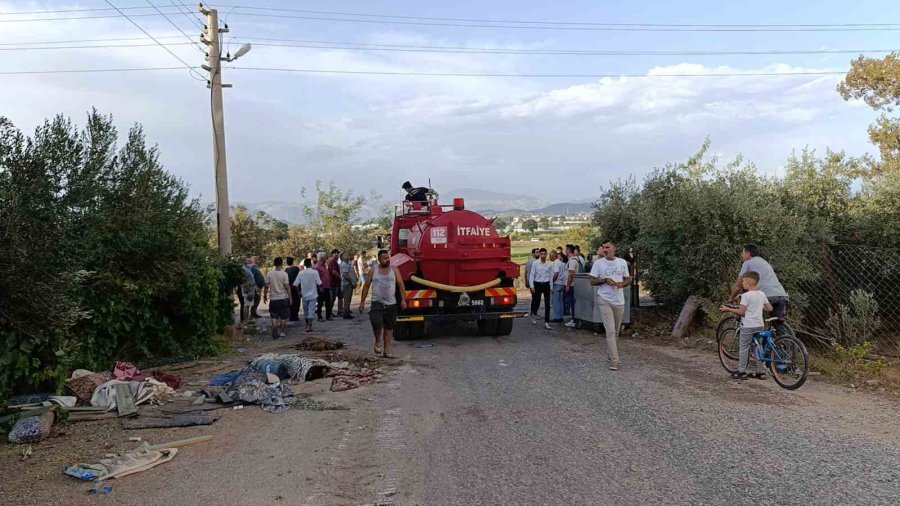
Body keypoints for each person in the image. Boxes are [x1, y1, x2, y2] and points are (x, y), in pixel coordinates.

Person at [720, 271, 772, 380]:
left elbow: (741, 312)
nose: (742, 284)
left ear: (748, 283)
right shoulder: (762, 294)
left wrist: (728, 309)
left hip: (748, 326)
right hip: (759, 325)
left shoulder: (746, 296)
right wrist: (758, 306)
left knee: (744, 348)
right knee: (758, 347)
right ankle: (760, 372)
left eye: (743, 282)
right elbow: (769, 308)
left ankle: (742, 371)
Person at [589, 240, 632, 371]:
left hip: (619, 301)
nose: (605, 250)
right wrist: (605, 280)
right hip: (604, 299)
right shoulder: (598, 263)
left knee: (616, 332)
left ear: (614, 248)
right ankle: (615, 361)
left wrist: (621, 284)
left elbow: (628, 278)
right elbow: (592, 281)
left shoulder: (622, 262)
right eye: (603, 248)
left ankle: (610, 353)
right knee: (610, 331)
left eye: (607, 247)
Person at [729, 244, 790, 336]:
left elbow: (738, 285)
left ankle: (753, 342)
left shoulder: (748, 263)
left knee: (753, 319)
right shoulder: (764, 262)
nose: (742, 255)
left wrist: (731, 298)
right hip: (781, 295)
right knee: (778, 327)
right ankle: (785, 343)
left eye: (743, 253)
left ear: (748, 254)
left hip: (767, 296)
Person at [359, 249, 408, 358]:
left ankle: (387, 349)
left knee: (389, 327)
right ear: (379, 259)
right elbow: (366, 286)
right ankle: (377, 340)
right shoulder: (373, 270)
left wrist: (403, 300)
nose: (387, 260)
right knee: (376, 323)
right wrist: (362, 302)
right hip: (377, 302)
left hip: (391, 303)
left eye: (388, 258)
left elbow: (401, 284)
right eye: (384, 258)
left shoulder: (394, 270)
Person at [263, 257, 292, 339]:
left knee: (274, 315)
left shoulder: (269, 273)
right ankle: (282, 331)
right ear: (281, 263)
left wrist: (265, 296)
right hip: (283, 298)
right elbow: (287, 287)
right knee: (283, 316)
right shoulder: (284, 274)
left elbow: (266, 286)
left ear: (274, 264)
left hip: (273, 298)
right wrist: (290, 298)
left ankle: (275, 327)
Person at [294, 258, 323, 332]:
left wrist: (298, 292)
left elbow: (295, 284)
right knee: (311, 310)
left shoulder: (301, 273)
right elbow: (319, 283)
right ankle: (309, 326)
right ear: (310, 264)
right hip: (313, 294)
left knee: (306, 310)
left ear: (305, 265)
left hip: (304, 294)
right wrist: (321, 288)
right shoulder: (315, 272)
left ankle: (307, 324)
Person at [529, 248, 554, 330]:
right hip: (537, 284)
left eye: (544, 254)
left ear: (546, 255)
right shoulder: (535, 263)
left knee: (547, 304)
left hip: (546, 284)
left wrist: (551, 287)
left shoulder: (549, 264)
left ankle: (547, 322)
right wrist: (532, 286)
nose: (543, 255)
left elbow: (551, 276)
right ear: (539, 255)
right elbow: (532, 274)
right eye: (542, 254)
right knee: (536, 300)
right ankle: (533, 313)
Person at [563, 244, 581, 327]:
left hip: (572, 285)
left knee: (572, 303)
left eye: (566, 249)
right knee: (571, 302)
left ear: (568, 251)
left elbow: (571, 274)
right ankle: (574, 319)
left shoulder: (573, 261)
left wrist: (567, 285)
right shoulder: (571, 260)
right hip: (571, 285)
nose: (565, 251)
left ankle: (574, 320)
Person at [314, 252, 332, 321]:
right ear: (321, 258)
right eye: (324, 257)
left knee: (328, 302)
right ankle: (319, 316)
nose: (325, 258)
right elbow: (316, 278)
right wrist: (320, 286)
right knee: (320, 302)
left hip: (327, 286)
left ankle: (328, 316)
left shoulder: (324, 265)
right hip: (321, 287)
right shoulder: (317, 267)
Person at [340, 252, 358, 319]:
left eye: (347, 254)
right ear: (342, 257)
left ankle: (347, 312)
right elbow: (345, 275)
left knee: (349, 299)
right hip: (346, 284)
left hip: (349, 284)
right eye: (345, 255)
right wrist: (352, 281)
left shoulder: (349, 264)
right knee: (347, 299)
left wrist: (355, 278)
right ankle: (346, 314)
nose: (347, 256)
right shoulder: (344, 264)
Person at [550, 250, 567, 323]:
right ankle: (561, 316)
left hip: (556, 283)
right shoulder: (561, 263)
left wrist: (552, 281)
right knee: (560, 301)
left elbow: (556, 273)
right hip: (561, 283)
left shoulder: (556, 263)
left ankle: (557, 317)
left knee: (555, 301)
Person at [285, 257, 301, 322]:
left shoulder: (286, 270)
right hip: (295, 287)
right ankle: (295, 316)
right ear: (293, 262)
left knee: (290, 301)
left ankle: (291, 316)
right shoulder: (296, 269)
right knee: (296, 302)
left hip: (289, 287)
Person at [329, 249, 343, 316]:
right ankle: (329, 312)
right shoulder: (332, 261)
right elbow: (334, 271)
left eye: (337, 253)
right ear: (332, 255)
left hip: (337, 283)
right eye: (334, 253)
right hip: (333, 283)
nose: (336, 254)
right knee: (333, 298)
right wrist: (340, 278)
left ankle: (340, 311)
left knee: (340, 297)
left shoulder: (336, 262)